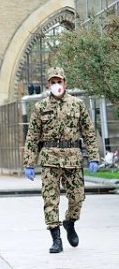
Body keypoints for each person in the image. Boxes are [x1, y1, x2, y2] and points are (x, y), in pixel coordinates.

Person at [23, 67, 99, 254]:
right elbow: (32, 136)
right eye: (53, 81)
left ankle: (70, 222)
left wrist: (94, 157)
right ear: (48, 84)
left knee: (77, 198)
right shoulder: (40, 108)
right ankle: (56, 239)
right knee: (50, 200)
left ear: (65, 83)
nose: (56, 85)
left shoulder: (77, 104)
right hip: (50, 158)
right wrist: (29, 163)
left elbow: (88, 132)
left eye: (59, 81)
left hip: (73, 157)